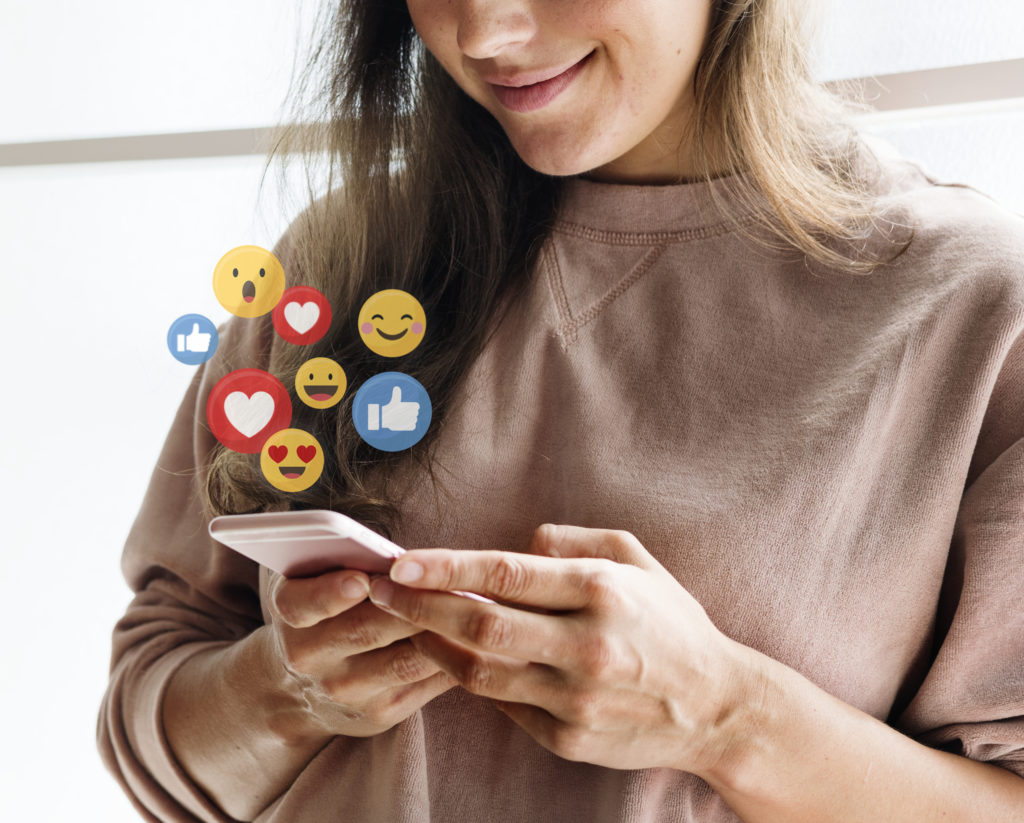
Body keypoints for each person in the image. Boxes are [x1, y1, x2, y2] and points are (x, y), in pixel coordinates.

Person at [97, 1, 1024, 821]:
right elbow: (154, 712)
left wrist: (731, 718)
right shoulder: (333, 270)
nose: (482, 32)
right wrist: (291, 689)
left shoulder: (977, 309)